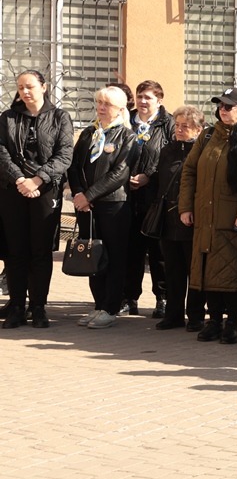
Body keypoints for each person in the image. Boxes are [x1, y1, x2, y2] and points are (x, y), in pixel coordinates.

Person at [179, 87, 237, 345]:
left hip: (234, 219)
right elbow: (189, 172)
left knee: (233, 272)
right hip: (206, 216)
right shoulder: (208, 136)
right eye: (220, 106)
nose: (223, 110)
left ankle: (232, 323)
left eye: (229, 106)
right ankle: (214, 320)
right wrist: (186, 206)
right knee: (209, 271)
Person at [0, 70, 73, 329]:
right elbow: (2, 152)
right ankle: (17, 306)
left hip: (45, 192)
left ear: (43, 87)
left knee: (40, 252)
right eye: (20, 87)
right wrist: (20, 180)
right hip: (13, 191)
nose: (25, 91)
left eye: (30, 86)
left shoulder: (59, 117)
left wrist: (38, 180)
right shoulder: (8, 117)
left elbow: (64, 155)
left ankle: (39, 307)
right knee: (15, 250)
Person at [69, 86, 136, 330]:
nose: (101, 108)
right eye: (99, 102)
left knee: (114, 257)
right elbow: (74, 166)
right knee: (92, 255)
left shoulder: (127, 136)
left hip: (113, 205)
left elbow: (120, 173)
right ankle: (98, 305)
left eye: (106, 104)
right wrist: (78, 194)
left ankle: (110, 307)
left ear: (120, 108)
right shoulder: (89, 133)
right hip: (86, 205)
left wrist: (90, 194)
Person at [124, 80, 174, 318]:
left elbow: (171, 160)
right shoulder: (126, 120)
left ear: (159, 100)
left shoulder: (168, 123)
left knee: (158, 254)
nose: (143, 102)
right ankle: (129, 297)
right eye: (140, 96)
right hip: (127, 197)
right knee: (131, 252)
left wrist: (149, 178)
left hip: (156, 199)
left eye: (149, 97)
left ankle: (162, 299)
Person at [153, 106, 206, 331]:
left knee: (194, 270)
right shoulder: (167, 150)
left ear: (198, 129)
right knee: (172, 269)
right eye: (177, 125)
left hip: (192, 219)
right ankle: (173, 314)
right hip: (168, 217)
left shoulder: (202, 151)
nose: (180, 130)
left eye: (186, 126)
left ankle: (195, 315)